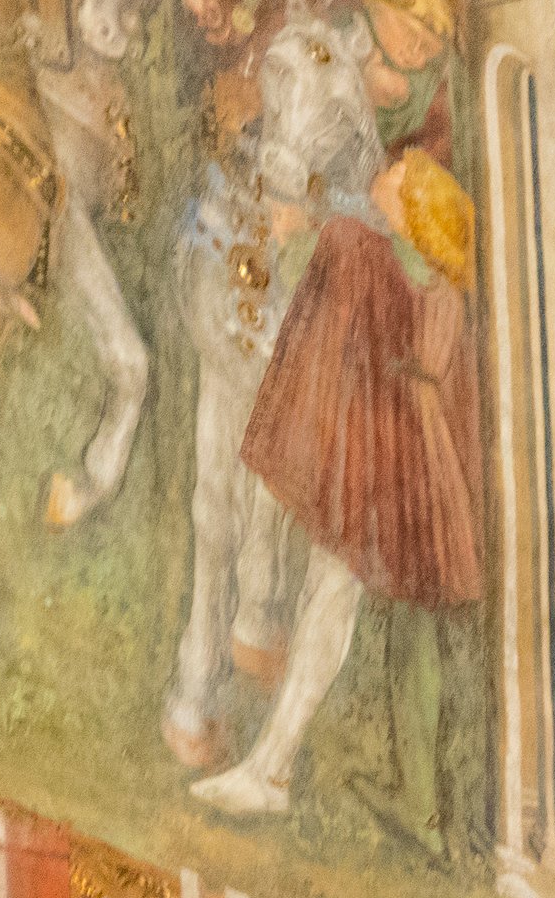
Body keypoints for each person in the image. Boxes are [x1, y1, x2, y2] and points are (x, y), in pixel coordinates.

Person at [201, 148, 485, 833]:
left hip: (374, 449)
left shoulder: (365, 250)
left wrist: (298, 227)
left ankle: (271, 767)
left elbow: (320, 281)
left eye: (399, 172)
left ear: (412, 206)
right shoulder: (434, 285)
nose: (385, 172)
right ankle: (270, 762)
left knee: (329, 595)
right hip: (397, 453)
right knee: (330, 596)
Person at [356, 0, 458, 166]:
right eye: (411, 36)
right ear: (379, 9)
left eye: (426, 51)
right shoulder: (350, 36)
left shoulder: (430, 87)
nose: (417, 59)